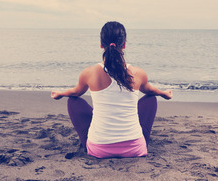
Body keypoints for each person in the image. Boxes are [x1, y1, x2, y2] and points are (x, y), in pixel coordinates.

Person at [51, 21, 172, 159]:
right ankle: (140, 141)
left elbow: (75, 92)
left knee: (73, 101)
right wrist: (163, 93)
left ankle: (89, 144)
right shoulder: (138, 73)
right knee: (151, 98)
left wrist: (60, 93)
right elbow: (150, 90)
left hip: (99, 150)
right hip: (134, 149)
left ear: (101, 44)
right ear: (124, 44)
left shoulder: (90, 73)